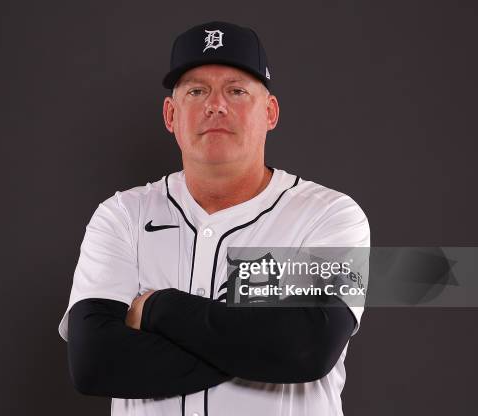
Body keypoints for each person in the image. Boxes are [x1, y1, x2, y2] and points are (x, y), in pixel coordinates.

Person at [58, 21, 369, 416]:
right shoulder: (122, 216)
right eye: (196, 90)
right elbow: (95, 364)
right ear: (171, 115)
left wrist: (157, 309)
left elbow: (308, 348)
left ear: (270, 112)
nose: (215, 104)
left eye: (237, 90)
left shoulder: (327, 216)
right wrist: (257, 349)